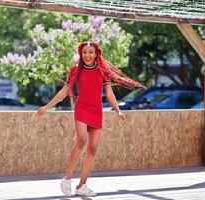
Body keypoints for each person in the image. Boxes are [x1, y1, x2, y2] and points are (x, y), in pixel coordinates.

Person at [37, 41, 145, 197]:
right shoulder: (75, 69)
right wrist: (47, 107)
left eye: (90, 52)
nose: (87, 55)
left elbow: (109, 93)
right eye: (85, 52)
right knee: (81, 141)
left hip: (96, 110)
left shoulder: (103, 70)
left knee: (92, 149)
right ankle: (66, 179)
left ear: (96, 54)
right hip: (82, 108)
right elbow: (65, 90)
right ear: (81, 54)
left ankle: (82, 186)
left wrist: (118, 110)